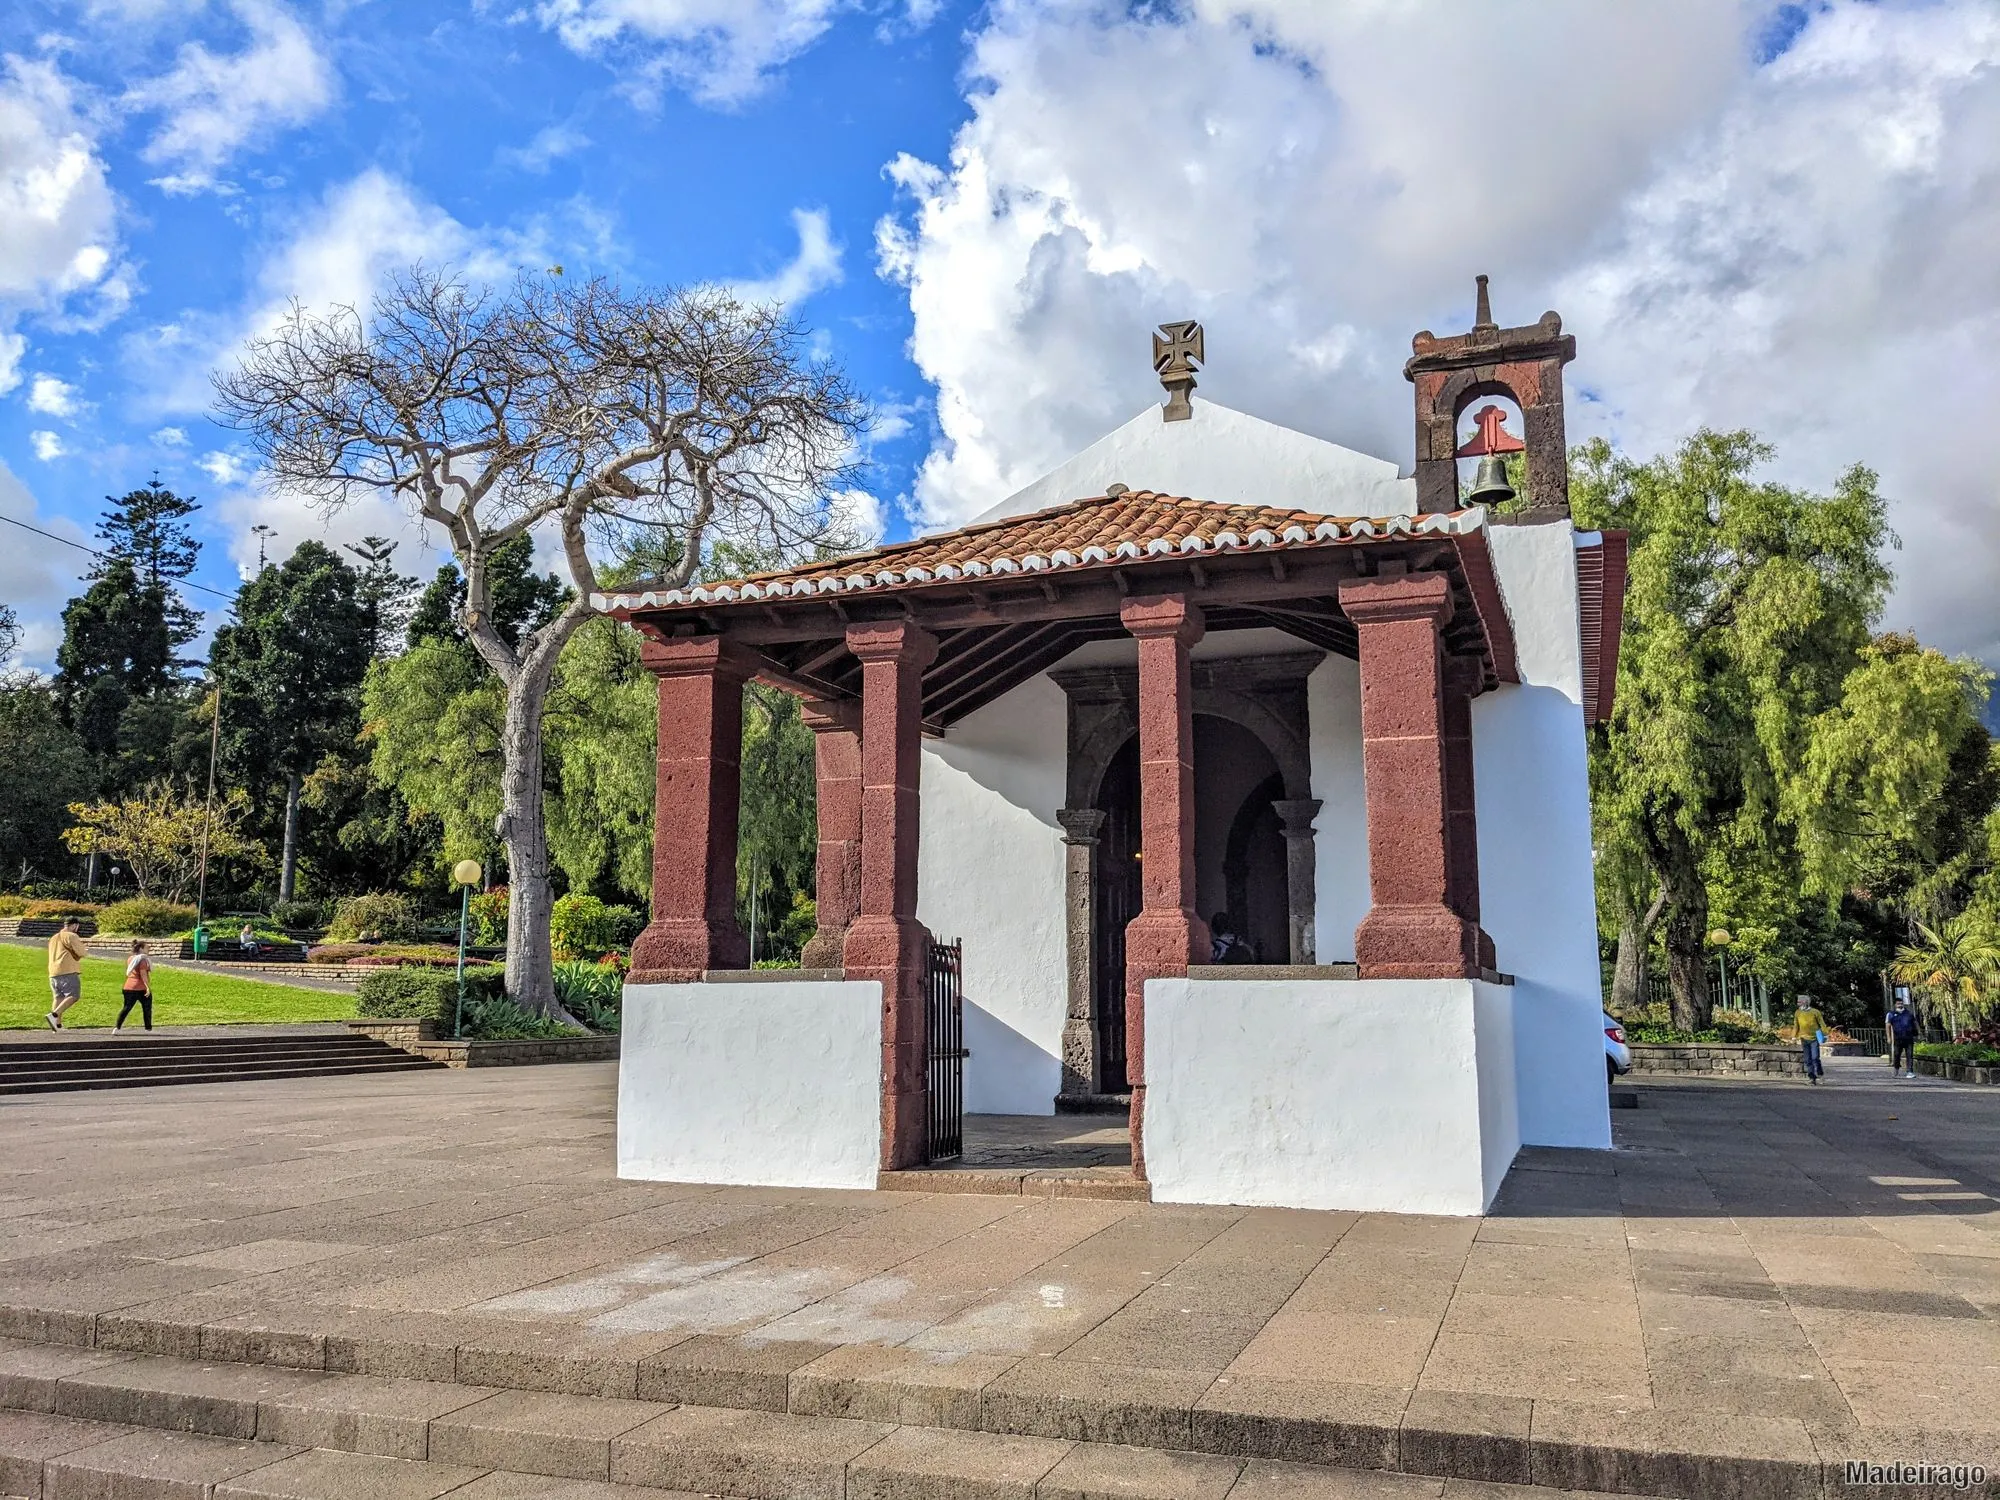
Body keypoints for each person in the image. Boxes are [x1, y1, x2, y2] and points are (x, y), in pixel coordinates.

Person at [45, 916, 89, 1030]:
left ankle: (57, 1026)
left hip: (53, 972)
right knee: (73, 995)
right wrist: (84, 950)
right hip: (67, 970)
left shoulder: (54, 937)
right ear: (74, 925)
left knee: (58, 997)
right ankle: (54, 1015)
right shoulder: (71, 936)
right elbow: (82, 952)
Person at [117, 941, 154, 1032]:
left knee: (126, 1008)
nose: (148, 949)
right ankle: (148, 1028)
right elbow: (143, 974)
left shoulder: (131, 959)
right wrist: (147, 987)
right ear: (141, 949)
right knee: (147, 1008)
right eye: (147, 948)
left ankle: (117, 1027)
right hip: (140, 988)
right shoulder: (142, 960)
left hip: (128, 987)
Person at [1795, 993, 1829, 1084]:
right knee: (1807, 1059)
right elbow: (1796, 1025)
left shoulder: (1815, 1012)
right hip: (1804, 1038)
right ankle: (1811, 1078)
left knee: (1815, 1058)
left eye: (1799, 1002)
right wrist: (1794, 1036)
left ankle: (1820, 1074)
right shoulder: (1798, 1013)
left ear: (1805, 1002)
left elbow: (1822, 1023)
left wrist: (1825, 1034)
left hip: (1814, 1038)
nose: (1798, 1004)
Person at [1887, 995, 1919, 1079]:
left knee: (1909, 1055)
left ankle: (1910, 1071)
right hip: (1898, 1039)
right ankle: (1896, 1068)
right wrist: (1889, 1037)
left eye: (1901, 1003)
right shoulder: (1891, 1014)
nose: (1900, 1005)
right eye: (1898, 1004)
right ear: (1895, 1004)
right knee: (1897, 1055)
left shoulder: (1908, 1013)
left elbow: (1914, 1023)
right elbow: (1888, 1026)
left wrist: (1917, 1033)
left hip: (1908, 1038)